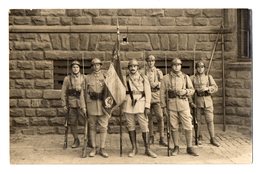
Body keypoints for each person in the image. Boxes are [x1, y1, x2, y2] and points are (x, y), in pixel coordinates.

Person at [160, 58, 199, 156]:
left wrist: (185, 91)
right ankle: (176, 146)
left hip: (183, 105)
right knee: (173, 127)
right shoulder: (166, 78)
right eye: (174, 65)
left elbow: (192, 90)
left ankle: (189, 147)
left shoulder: (185, 77)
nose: (176, 67)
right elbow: (162, 94)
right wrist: (163, 107)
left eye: (178, 65)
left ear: (181, 66)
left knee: (188, 126)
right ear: (171, 66)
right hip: (171, 105)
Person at [122, 59, 157, 158]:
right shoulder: (126, 78)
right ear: (128, 68)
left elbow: (148, 93)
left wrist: (147, 106)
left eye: (134, 66)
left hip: (141, 104)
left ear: (138, 67)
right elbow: (122, 92)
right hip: (129, 103)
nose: (133, 68)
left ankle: (147, 149)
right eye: (131, 66)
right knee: (131, 126)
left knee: (144, 126)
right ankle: (134, 148)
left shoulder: (143, 77)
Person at [83, 58, 109, 158]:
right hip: (91, 106)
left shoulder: (106, 77)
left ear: (100, 66)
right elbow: (83, 93)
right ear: (92, 66)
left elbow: (110, 91)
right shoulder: (87, 78)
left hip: (103, 106)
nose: (96, 67)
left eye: (98, 65)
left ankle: (102, 148)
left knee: (103, 127)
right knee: (92, 127)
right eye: (94, 65)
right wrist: (83, 106)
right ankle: (94, 148)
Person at [190, 61, 220, 147]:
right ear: (196, 68)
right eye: (198, 67)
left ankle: (212, 138)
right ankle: (198, 137)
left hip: (207, 101)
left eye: (202, 67)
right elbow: (189, 89)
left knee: (210, 120)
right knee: (197, 121)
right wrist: (191, 102)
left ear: (204, 68)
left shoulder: (208, 77)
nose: (200, 69)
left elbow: (215, 87)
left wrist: (207, 88)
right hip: (197, 101)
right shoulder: (192, 78)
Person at [61, 60, 86, 148]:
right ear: (71, 68)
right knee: (72, 123)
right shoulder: (67, 79)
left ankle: (88, 139)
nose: (75, 69)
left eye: (77, 67)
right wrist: (64, 104)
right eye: (73, 67)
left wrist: (82, 88)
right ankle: (76, 139)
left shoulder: (84, 78)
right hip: (71, 104)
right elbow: (63, 92)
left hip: (82, 104)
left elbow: (88, 91)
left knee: (86, 121)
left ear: (80, 68)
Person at [143, 55, 167, 146]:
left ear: (154, 62)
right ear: (147, 62)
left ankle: (161, 137)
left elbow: (163, 83)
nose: (150, 62)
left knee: (160, 117)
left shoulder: (158, 72)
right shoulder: (144, 71)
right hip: (147, 97)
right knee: (149, 118)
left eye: (152, 61)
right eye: (149, 61)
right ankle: (151, 136)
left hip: (156, 96)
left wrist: (156, 84)